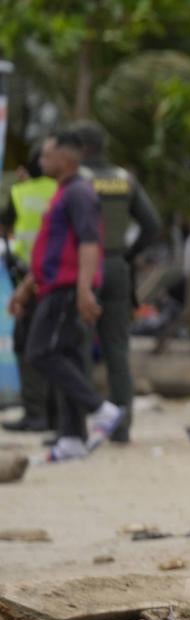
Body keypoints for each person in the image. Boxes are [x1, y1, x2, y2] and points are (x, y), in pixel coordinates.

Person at [7, 131, 124, 461]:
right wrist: (25, 287)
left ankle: (101, 409)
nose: (41, 161)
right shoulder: (61, 193)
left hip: (67, 287)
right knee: (68, 356)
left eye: (47, 155)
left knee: (40, 351)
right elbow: (49, 248)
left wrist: (85, 288)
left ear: (67, 158)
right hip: (52, 284)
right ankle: (72, 436)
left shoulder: (79, 194)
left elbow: (89, 242)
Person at [74, 121, 162, 443]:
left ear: (79, 148)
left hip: (83, 269)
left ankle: (80, 426)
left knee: (78, 347)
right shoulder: (125, 179)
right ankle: (121, 427)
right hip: (116, 266)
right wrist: (127, 254)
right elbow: (152, 225)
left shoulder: (75, 180)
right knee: (116, 350)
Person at [1, 143, 58, 434]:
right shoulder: (61, 189)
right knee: (54, 343)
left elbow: (7, 225)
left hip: (29, 276)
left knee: (27, 344)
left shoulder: (20, 193)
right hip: (59, 276)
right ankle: (55, 414)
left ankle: (36, 413)